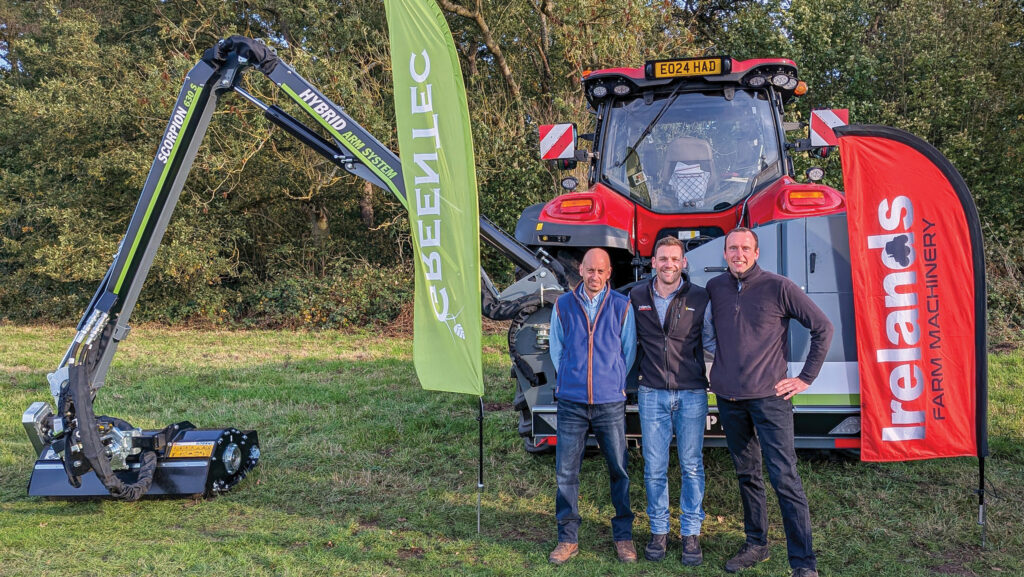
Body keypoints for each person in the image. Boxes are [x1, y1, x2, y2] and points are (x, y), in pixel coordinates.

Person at [704, 227, 833, 577]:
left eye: (745, 248)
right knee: (747, 474)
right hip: (729, 399)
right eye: (732, 248)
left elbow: (823, 327)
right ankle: (756, 544)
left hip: (770, 399)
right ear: (725, 253)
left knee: (784, 478)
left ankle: (804, 564)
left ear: (757, 253)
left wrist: (806, 377)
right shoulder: (716, 288)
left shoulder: (780, 287)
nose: (738, 254)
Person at [547, 248, 638, 565]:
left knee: (619, 471)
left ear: (609, 272)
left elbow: (627, 352)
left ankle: (623, 537)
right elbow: (557, 350)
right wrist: (571, 378)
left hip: (609, 403)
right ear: (581, 270)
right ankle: (567, 539)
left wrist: (610, 381)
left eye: (600, 271)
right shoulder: (563, 305)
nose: (594, 276)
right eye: (589, 270)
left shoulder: (621, 306)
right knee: (566, 473)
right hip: (571, 403)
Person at [629, 236, 710, 566]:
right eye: (662, 259)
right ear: (653, 262)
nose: (668, 264)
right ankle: (659, 531)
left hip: (691, 392)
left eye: (674, 259)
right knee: (655, 468)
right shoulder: (636, 296)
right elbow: (625, 342)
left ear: (683, 263)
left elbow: (713, 343)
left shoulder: (700, 297)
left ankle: (691, 533)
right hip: (651, 393)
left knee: (692, 466)